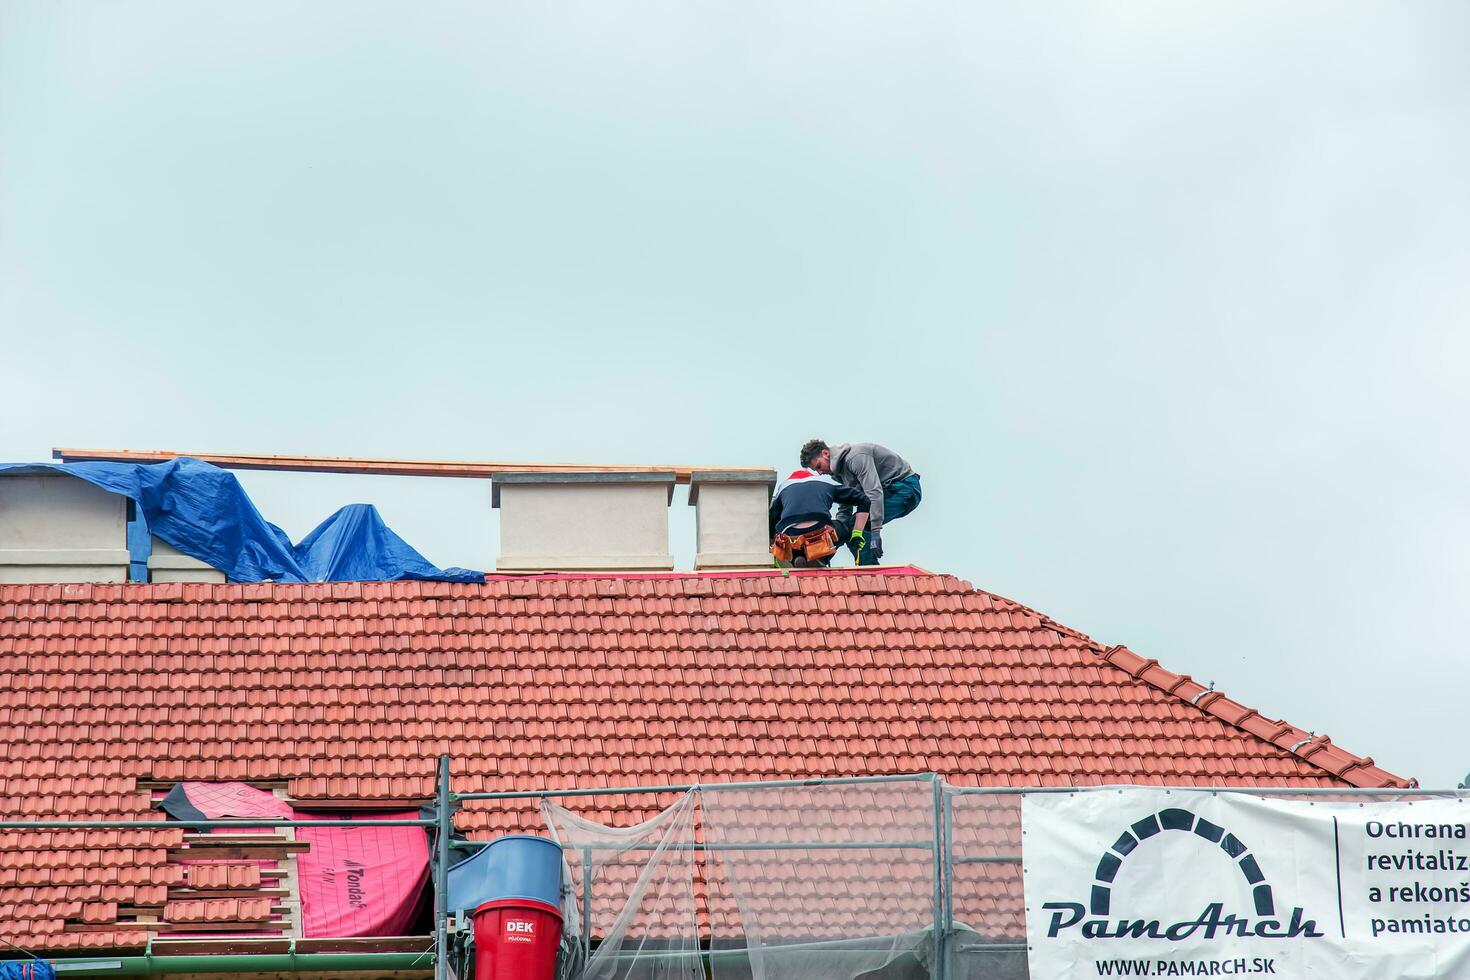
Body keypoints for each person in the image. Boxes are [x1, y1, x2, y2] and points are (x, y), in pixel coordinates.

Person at [800, 440, 921, 565]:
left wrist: (875, 531)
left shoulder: (856, 457)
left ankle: (870, 570)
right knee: (850, 527)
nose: (820, 473)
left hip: (904, 488)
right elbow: (846, 505)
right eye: (816, 470)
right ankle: (821, 558)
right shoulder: (839, 473)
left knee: (858, 525)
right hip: (886, 492)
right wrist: (839, 530)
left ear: (825, 453)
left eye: (819, 466)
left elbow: (874, 491)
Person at [768, 468, 870, 567]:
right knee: (843, 529)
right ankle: (820, 559)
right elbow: (864, 500)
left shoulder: (783, 487)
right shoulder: (825, 482)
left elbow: (771, 520)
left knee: (789, 538)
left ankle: (797, 558)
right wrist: (857, 533)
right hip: (820, 529)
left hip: (791, 534)